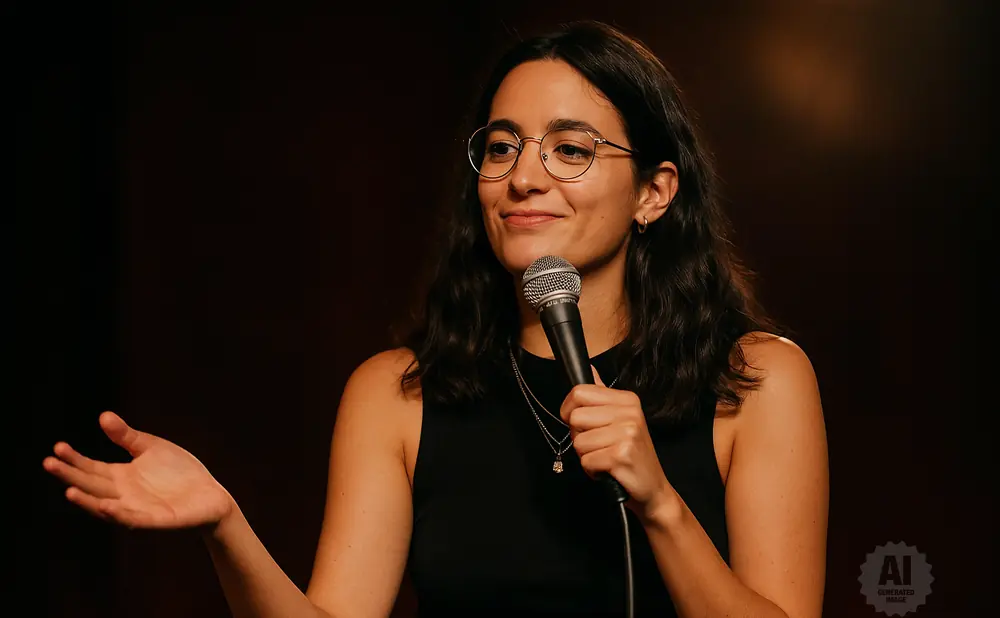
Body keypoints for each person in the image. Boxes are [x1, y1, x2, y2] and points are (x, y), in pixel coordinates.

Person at [43, 20, 828, 618]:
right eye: (502, 147)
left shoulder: (757, 380)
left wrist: (660, 504)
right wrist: (225, 526)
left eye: (571, 150)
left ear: (654, 193)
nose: (524, 177)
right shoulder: (398, 394)